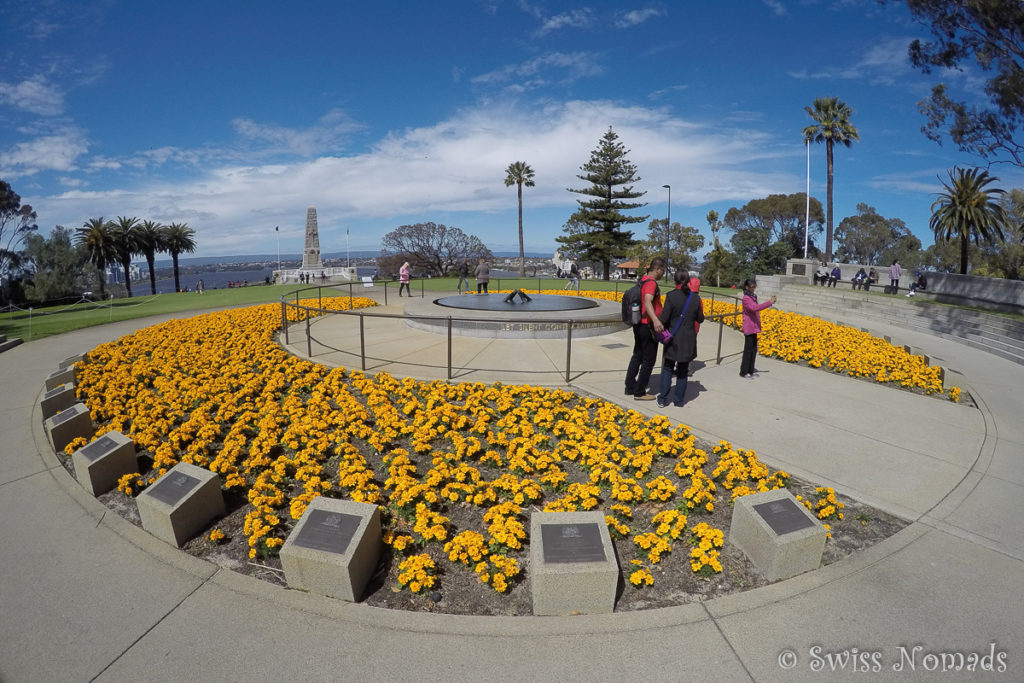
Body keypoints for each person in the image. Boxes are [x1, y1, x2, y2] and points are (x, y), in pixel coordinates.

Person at [656, 270, 704, 408]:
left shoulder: (671, 296)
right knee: (682, 371)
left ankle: (663, 398)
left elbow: (664, 319)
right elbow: (700, 318)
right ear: (688, 281)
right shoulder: (695, 298)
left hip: (673, 338)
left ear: (674, 281)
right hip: (688, 338)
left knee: (667, 368)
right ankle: (678, 400)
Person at [624, 258, 666, 400]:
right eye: (663, 271)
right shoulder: (651, 283)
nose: (663, 274)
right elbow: (648, 302)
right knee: (649, 360)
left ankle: (630, 386)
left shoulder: (643, 279)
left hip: (639, 324)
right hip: (647, 325)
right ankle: (639, 392)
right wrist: (655, 320)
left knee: (637, 355)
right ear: (658, 269)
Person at [739, 278, 776, 379]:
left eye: (754, 287)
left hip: (754, 327)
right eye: (752, 287)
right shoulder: (746, 298)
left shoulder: (753, 297)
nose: (753, 289)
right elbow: (754, 308)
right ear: (747, 287)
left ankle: (750, 370)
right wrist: (769, 303)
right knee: (748, 350)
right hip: (749, 327)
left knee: (753, 349)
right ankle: (744, 371)